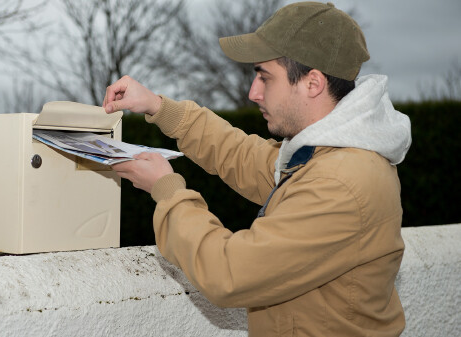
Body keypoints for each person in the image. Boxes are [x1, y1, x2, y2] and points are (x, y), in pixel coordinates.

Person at [104, 2, 411, 336]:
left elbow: (229, 273)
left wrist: (168, 191)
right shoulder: (329, 152)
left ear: (313, 83)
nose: (254, 92)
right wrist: (159, 107)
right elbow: (243, 156)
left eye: (265, 77)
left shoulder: (341, 181)